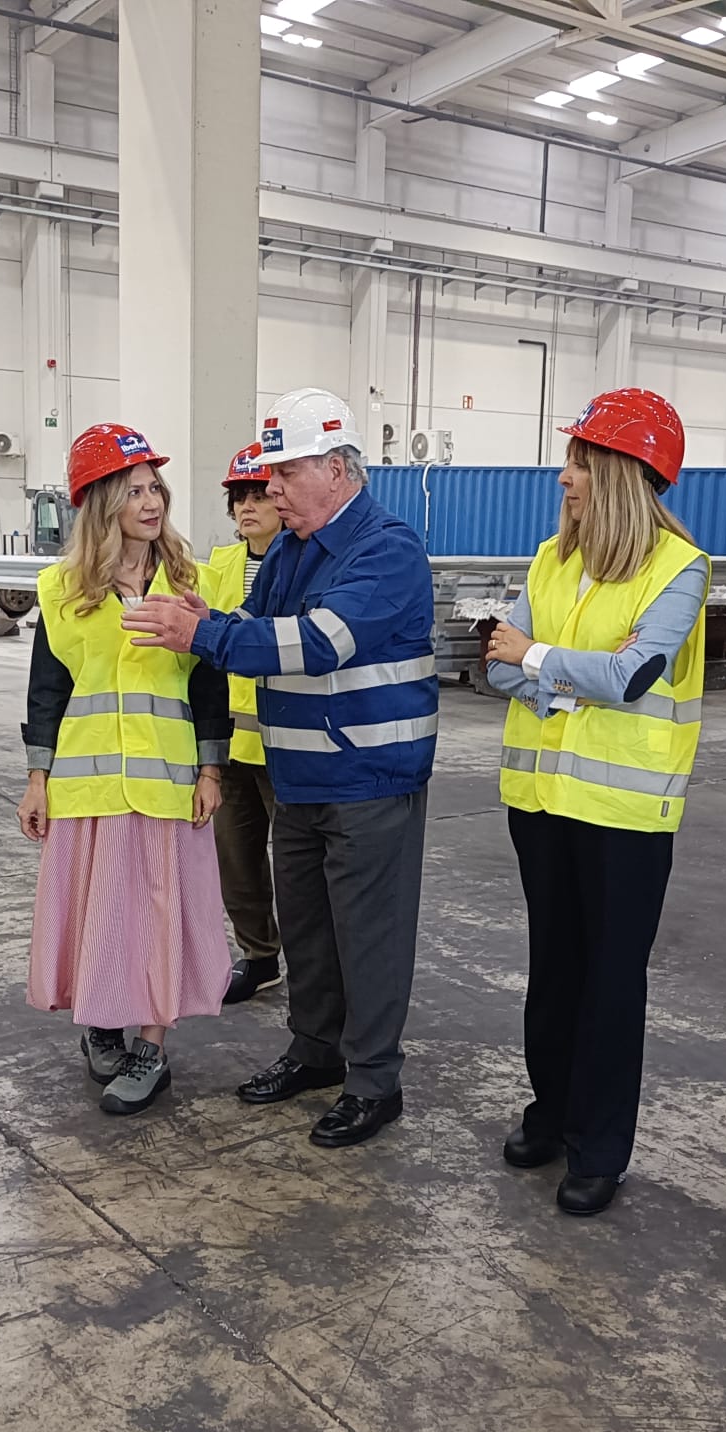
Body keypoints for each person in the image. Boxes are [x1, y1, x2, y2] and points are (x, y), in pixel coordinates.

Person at [122, 389, 436, 1149]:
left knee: (369, 938)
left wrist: (201, 634)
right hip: (299, 778)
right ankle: (316, 1049)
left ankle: (374, 1080)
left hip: (369, 781)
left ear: (336, 468)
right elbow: (262, 630)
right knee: (307, 931)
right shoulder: (294, 548)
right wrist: (216, 621)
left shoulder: (386, 549)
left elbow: (318, 643)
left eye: (284, 475)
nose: (270, 492)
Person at [482, 389, 710, 1218]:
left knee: (612, 980)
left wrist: (540, 655)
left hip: (624, 815)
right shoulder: (552, 560)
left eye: (579, 462)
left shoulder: (678, 569)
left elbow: (634, 675)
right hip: (541, 800)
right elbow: (495, 666)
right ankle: (552, 1110)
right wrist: (568, 676)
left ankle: (600, 1144)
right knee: (555, 968)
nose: (564, 476)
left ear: (617, 473)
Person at [16, 423, 233, 1116]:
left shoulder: (188, 582)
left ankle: (152, 1046)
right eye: (134, 490)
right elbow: (47, 690)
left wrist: (211, 770)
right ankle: (103, 1025)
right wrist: (36, 778)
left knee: (162, 912)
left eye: (154, 488)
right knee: (100, 913)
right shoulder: (61, 588)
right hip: (89, 784)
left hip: (169, 782)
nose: (151, 501)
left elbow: (208, 686)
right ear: (101, 503)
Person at [206, 442, 285, 1007]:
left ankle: (311, 963)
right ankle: (260, 957)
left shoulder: (304, 561)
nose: (249, 507)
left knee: (301, 869)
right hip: (231, 744)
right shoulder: (218, 567)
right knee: (237, 863)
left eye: (259, 495)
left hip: (287, 746)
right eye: (241, 498)